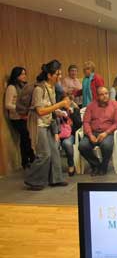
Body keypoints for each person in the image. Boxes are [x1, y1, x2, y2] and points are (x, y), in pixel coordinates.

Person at [25, 60, 71, 190]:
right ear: (49, 75)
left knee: (54, 151)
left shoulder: (51, 88)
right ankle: (32, 180)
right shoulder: (39, 89)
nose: (60, 76)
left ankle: (56, 179)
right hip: (38, 124)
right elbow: (40, 111)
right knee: (44, 154)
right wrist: (60, 105)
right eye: (57, 74)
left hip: (48, 123)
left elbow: (48, 107)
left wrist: (59, 111)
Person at [79, 87, 117, 176]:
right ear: (97, 96)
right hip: (92, 132)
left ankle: (104, 167)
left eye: (106, 93)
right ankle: (96, 165)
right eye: (102, 94)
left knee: (106, 146)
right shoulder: (91, 106)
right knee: (82, 146)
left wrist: (106, 133)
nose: (105, 96)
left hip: (107, 133)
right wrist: (90, 135)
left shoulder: (115, 105)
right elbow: (86, 122)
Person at [5, 67, 36, 169]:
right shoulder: (12, 87)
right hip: (16, 118)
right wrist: (21, 109)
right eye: (22, 74)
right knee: (25, 137)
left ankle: (32, 158)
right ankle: (26, 161)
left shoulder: (24, 85)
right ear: (16, 75)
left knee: (29, 137)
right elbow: (8, 105)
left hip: (25, 116)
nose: (24, 76)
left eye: (25, 74)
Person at [58, 100, 82, 176]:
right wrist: (60, 116)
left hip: (71, 134)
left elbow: (79, 124)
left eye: (68, 101)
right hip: (58, 134)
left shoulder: (75, 110)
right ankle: (54, 169)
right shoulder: (57, 110)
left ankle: (71, 165)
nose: (66, 103)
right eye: (64, 101)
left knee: (67, 143)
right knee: (54, 145)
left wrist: (72, 114)